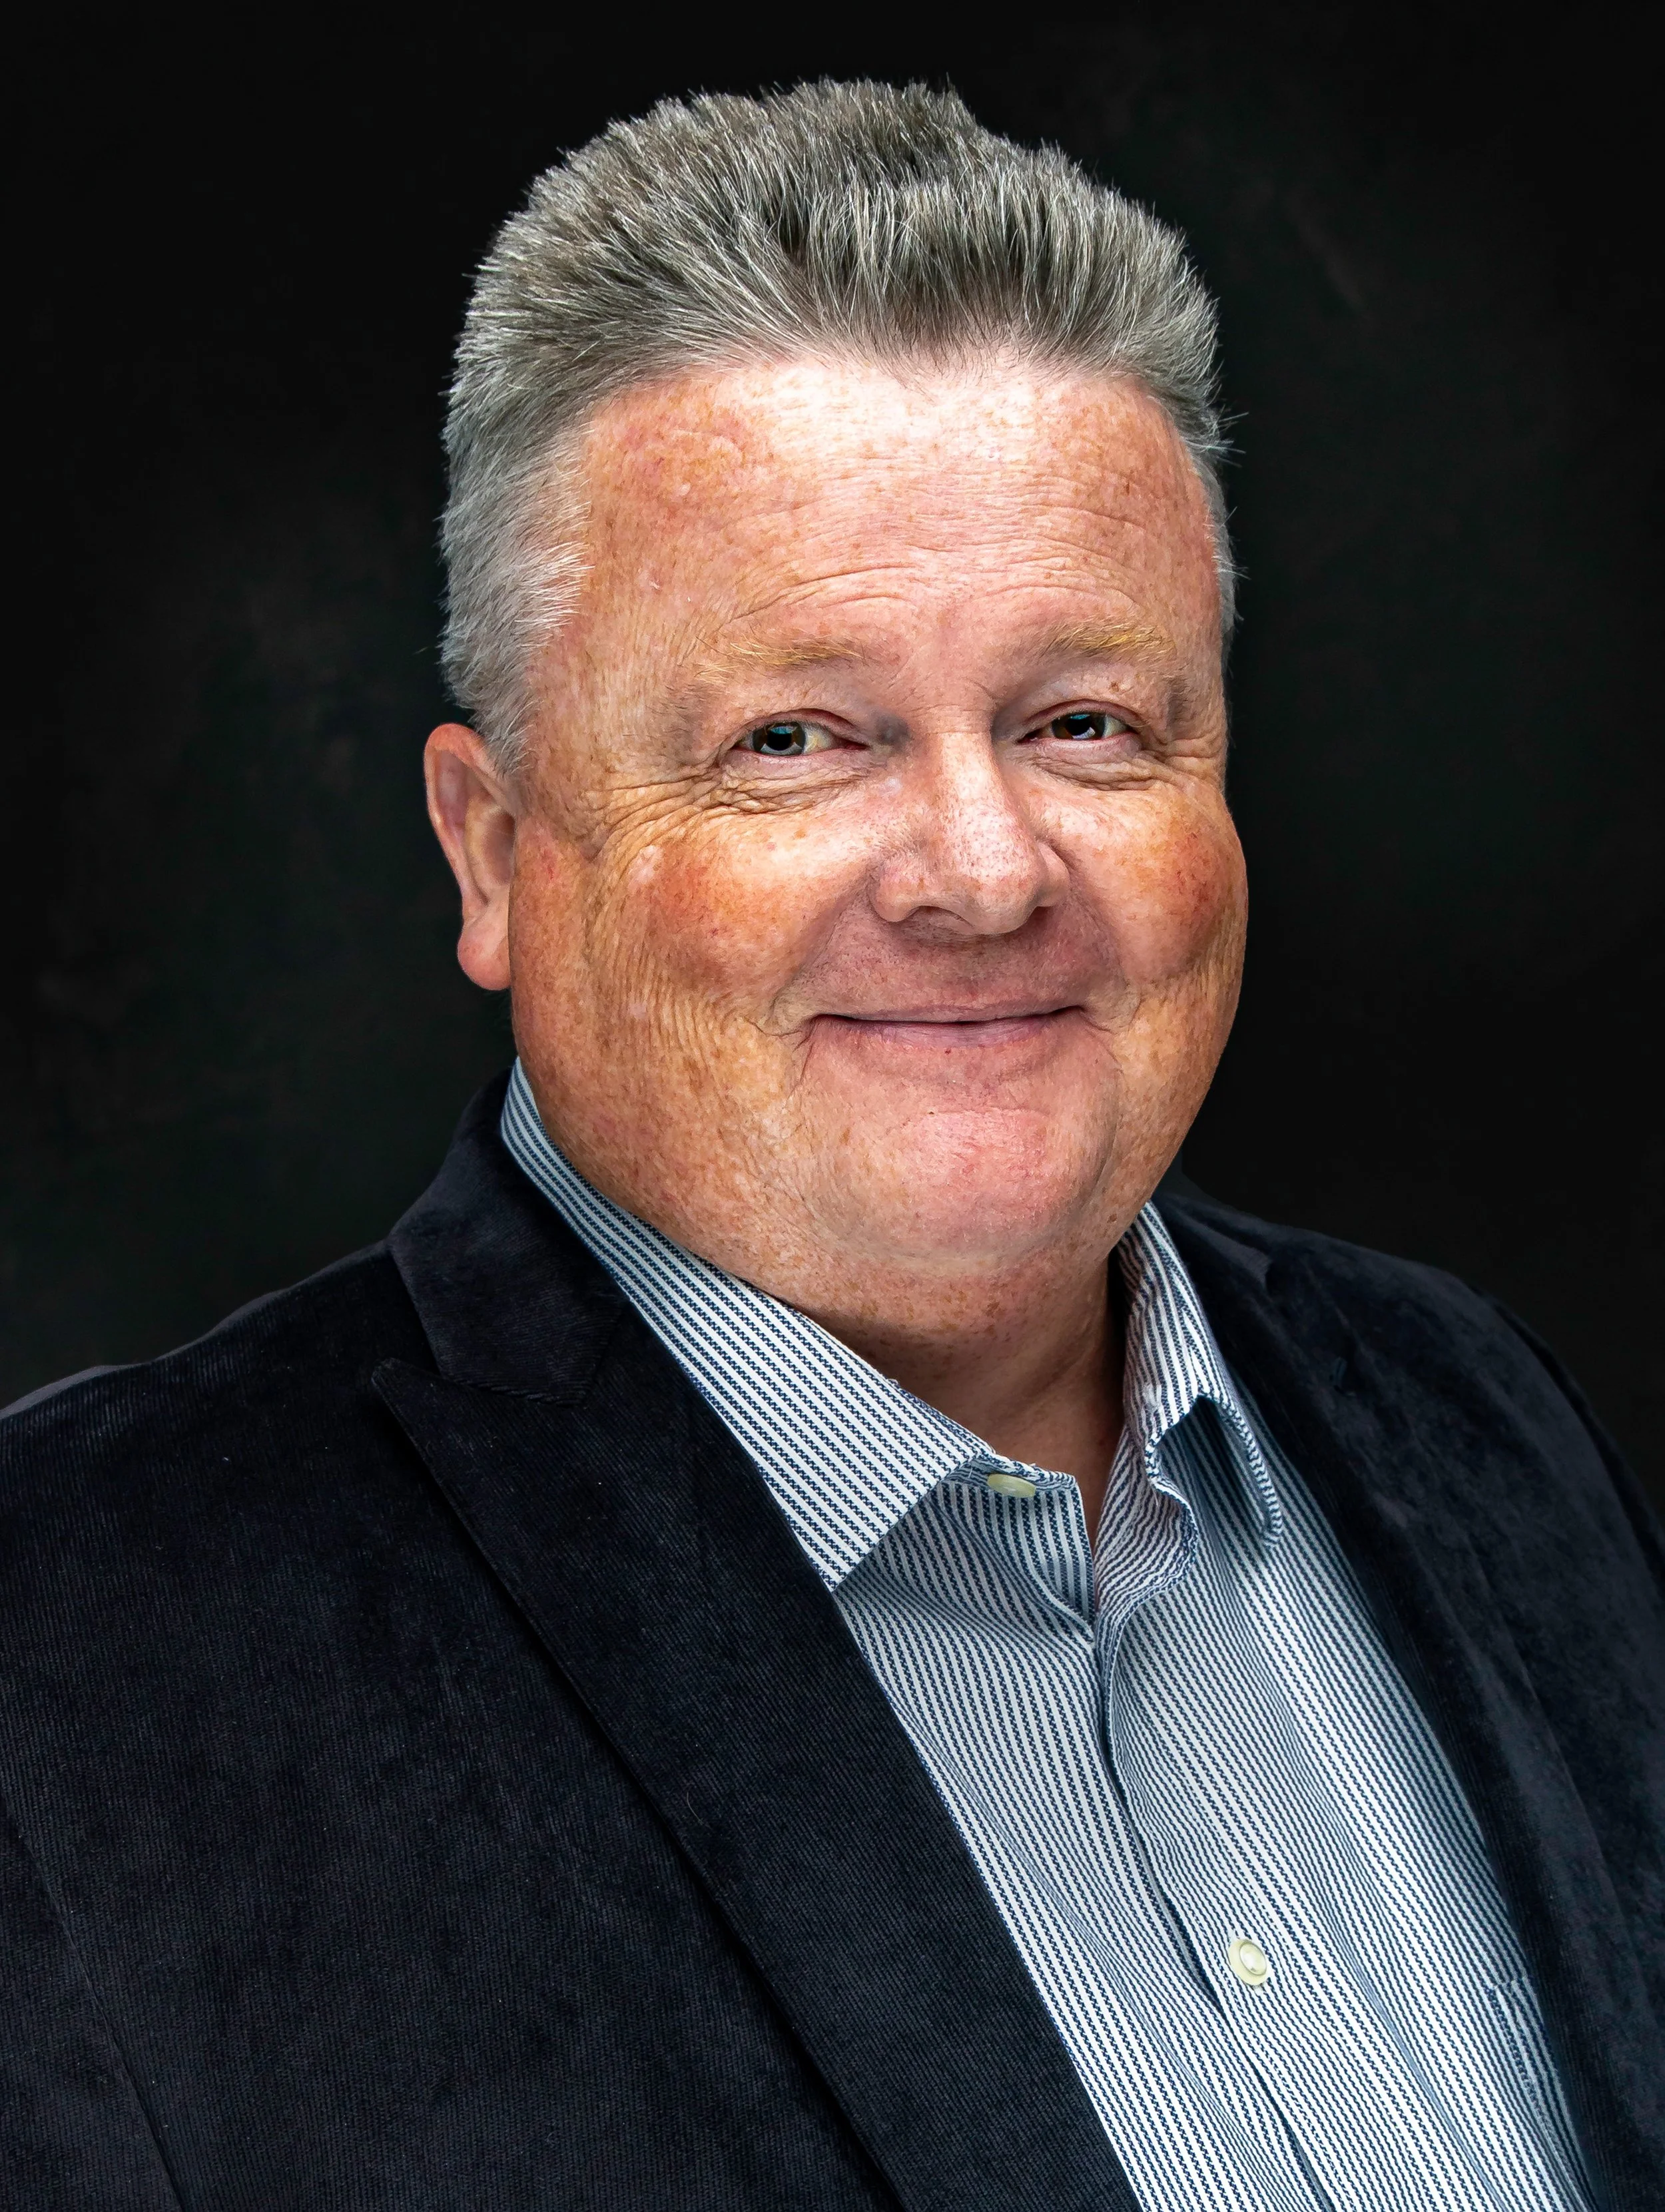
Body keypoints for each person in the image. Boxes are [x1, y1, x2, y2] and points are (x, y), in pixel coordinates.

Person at [2, 81, 1660, 2212]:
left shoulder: (1475, 1423)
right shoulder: (78, 1664)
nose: (980, 871)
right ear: (492, 853)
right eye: (795, 739)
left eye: (1084, 723)